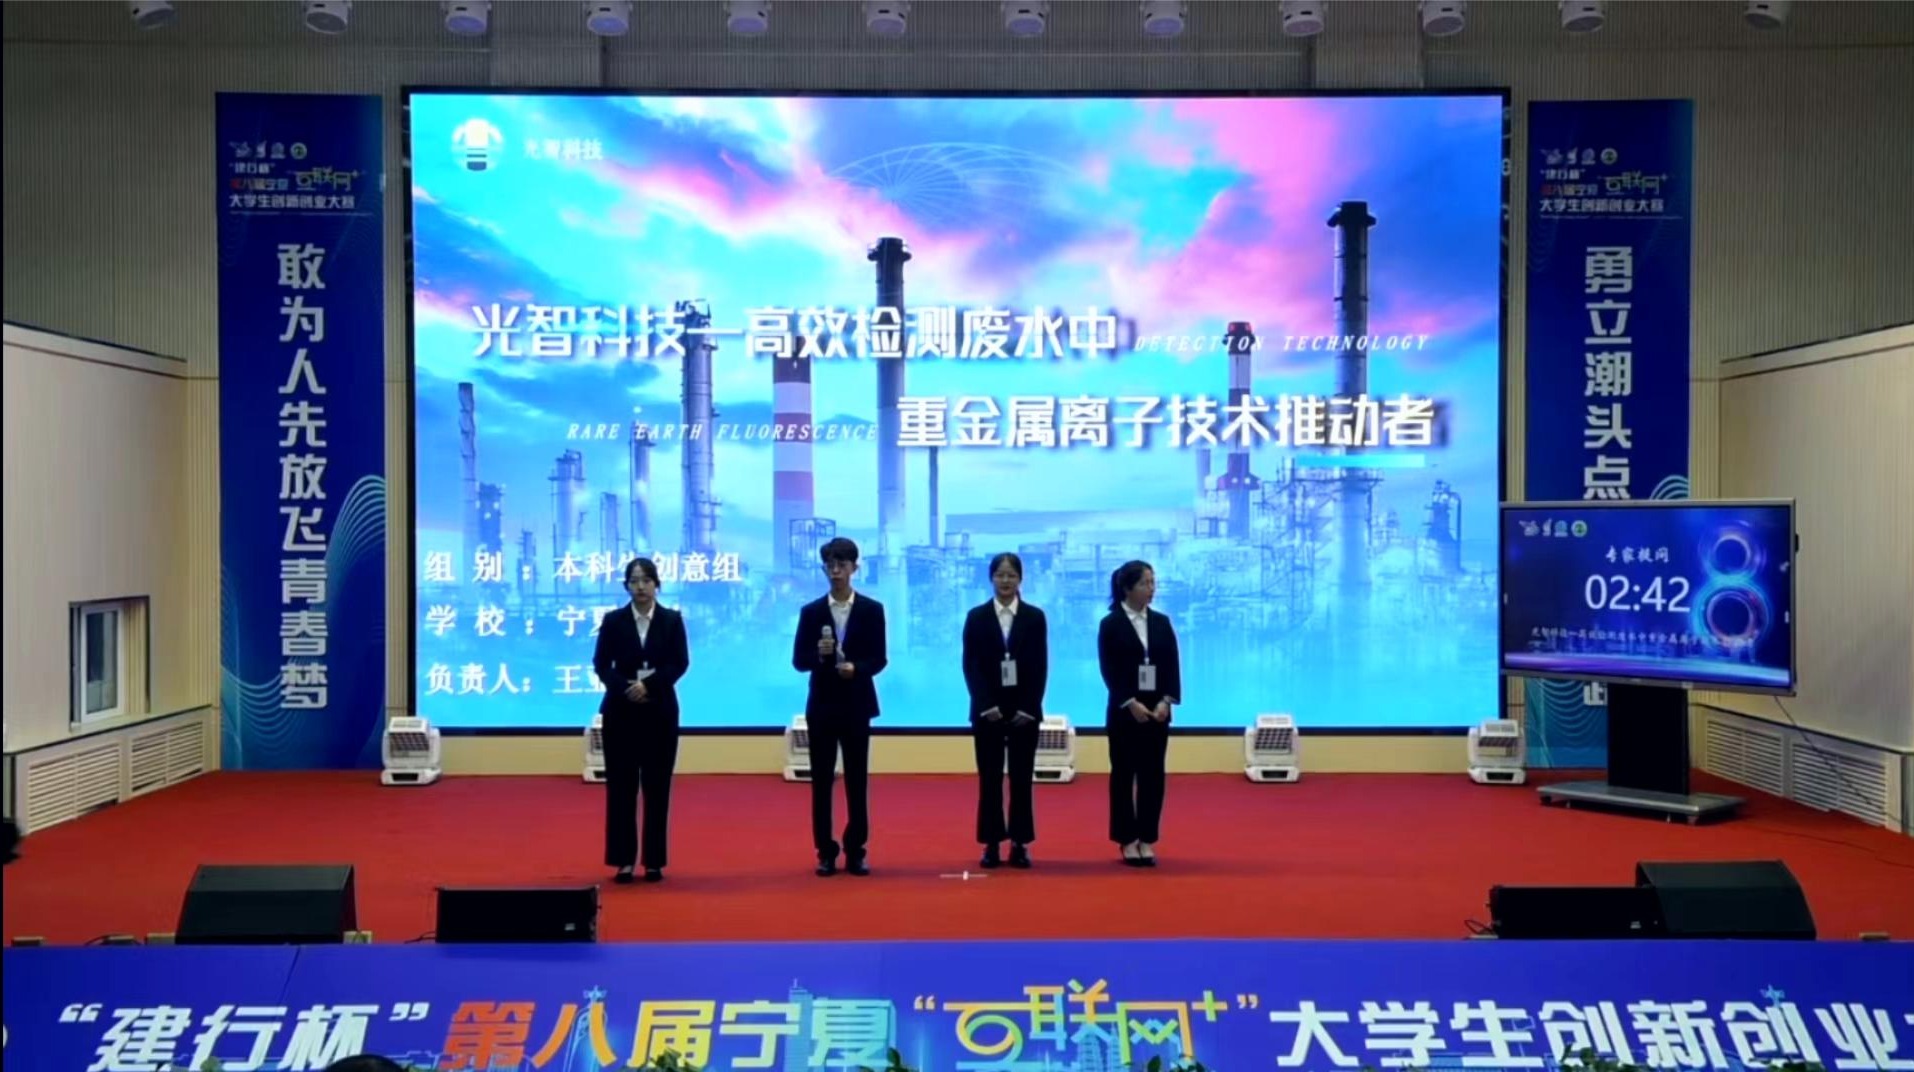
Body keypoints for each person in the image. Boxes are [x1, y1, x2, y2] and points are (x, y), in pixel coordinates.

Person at [792, 537, 888, 876]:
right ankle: (825, 851)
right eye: (830, 565)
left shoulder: (872, 610)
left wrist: (856, 669)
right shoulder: (811, 612)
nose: (836, 571)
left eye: (842, 565)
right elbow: (798, 661)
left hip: (857, 705)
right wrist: (819, 656)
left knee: (857, 781)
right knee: (821, 781)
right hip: (822, 706)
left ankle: (856, 849)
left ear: (854, 568)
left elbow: (879, 658)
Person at [593, 556, 690, 884]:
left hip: (659, 712)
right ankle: (622, 861)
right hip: (621, 713)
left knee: (657, 787)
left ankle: (653, 861)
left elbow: (680, 663)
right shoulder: (613, 621)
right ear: (626, 586)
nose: (640, 587)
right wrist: (625, 688)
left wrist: (649, 686)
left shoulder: (672, 620)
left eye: (646, 580)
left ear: (656, 584)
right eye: (634, 581)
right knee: (621, 788)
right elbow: (601, 664)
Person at [961, 552, 1048, 869]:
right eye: (1000, 575)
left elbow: (1040, 665)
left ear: (1020, 578)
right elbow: (970, 665)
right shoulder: (977, 616)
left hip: (1024, 712)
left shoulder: (1034, 617)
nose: (1006, 581)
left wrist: (1029, 706)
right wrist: (986, 705)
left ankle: (1020, 843)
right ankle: (992, 842)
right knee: (990, 780)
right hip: (988, 712)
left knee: (1022, 780)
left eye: (1011, 575)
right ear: (991, 578)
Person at [1097, 559, 1180, 867]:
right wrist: (1130, 702)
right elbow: (1109, 669)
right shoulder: (1111, 624)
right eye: (1145, 583)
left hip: (1156, 712)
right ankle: (1126, 838)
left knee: (1153, 775)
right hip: (1125, 712)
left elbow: (1171, 665)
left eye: (1153, 582)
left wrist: (1166, 701)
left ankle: (1146, 837)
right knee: (1123, 775)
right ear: (1127, 587)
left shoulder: (1161, 622)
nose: (1151, 588)